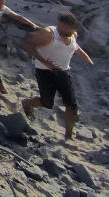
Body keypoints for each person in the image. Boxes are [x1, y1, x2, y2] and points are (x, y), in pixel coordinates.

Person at [21, 12, 94, 140]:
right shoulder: (48, 34)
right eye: (69, 30)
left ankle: (68, 136)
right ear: (61, 25)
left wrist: (87, 58)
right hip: (44, 72)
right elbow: (26, 45)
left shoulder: (73, 34)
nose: (72, 33)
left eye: (73, 31)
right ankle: (27, 103)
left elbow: (75, 47)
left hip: (63, 72)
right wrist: (45, 62)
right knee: (47, 103)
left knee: (71, 105)